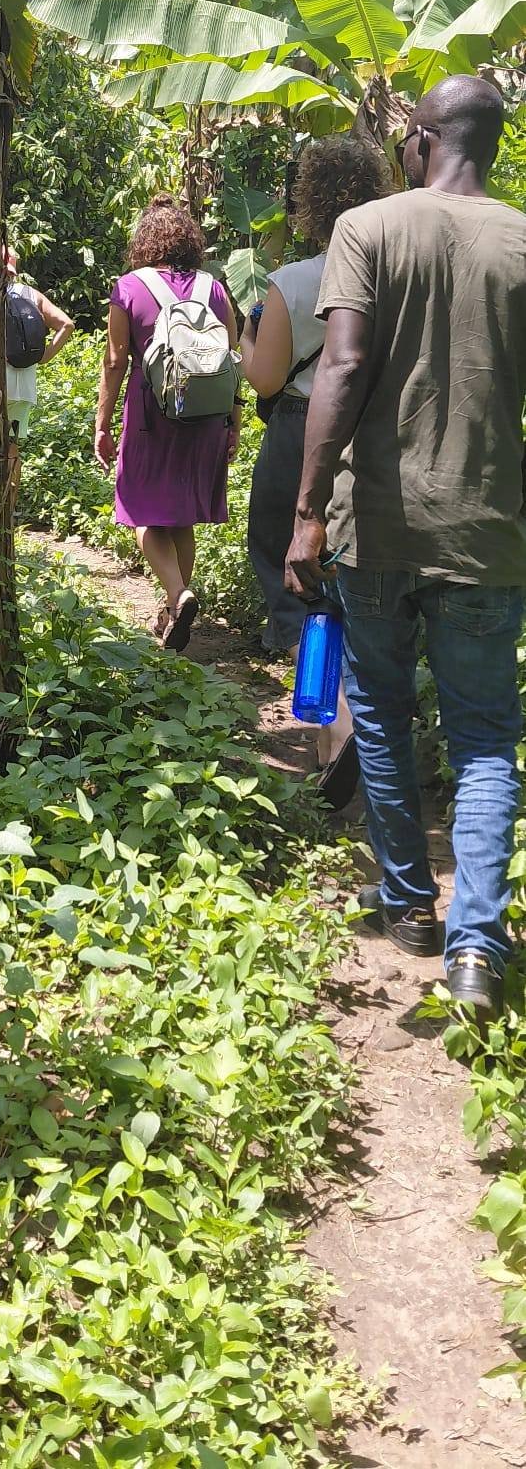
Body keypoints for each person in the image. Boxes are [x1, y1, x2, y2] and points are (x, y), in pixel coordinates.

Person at [285, 77, 526, 1021]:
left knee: (382, 714)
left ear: (422, 139)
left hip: (375, 529)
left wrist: (308, 512)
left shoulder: (369, 228)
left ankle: (409, 908)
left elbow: (341, 365)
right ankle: (477, 946)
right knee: (484, 737)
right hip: (488, 533)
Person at [241, 138, 392, 803]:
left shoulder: (295, 281)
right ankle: (364, 725)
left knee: (300, 577)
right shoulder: (398, 274)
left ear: (309, 200)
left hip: (301, 433)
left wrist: (243, 341)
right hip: (382, 434)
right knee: (363, 581)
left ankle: (332, 730)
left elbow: (268, 376)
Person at [95, 194, 240, 653]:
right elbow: (231, 360)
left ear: (144, 241)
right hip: (206, 417)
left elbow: (116, 360)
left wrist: (102, 422)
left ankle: (178, 595)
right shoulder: (213, 289)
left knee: (142, 509)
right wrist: (232, 423)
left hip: (150, 415)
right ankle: (173, 610)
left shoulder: (129, 287)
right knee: (181, 517)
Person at [5, 250, 74, 484]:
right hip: (23, 386)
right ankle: (8, 508)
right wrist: (43, 357)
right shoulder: (30, 294)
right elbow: (66, 324)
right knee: (11, 446)